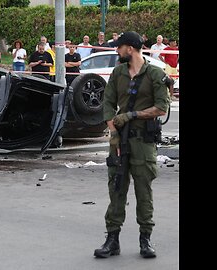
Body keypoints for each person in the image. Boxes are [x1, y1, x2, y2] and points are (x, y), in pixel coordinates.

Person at [94, 31, 170, 259]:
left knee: (143, 190)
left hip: (143, 141)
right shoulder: (118, 73)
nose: (117, 50)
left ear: (131, 48)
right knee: (116, 186)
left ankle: (145, 238)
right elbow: (107, 103)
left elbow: (161, 107)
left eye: (119, 46)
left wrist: (132, 115)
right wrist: (114, 132)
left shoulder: (155, 74)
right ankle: (112, 239)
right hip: (120, 137)